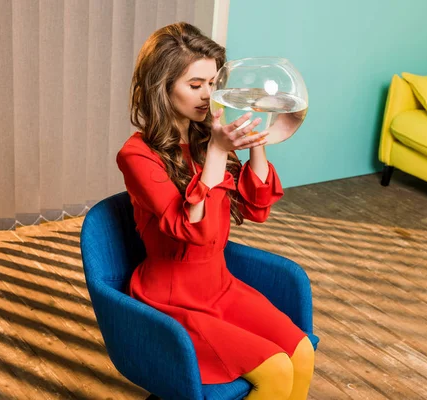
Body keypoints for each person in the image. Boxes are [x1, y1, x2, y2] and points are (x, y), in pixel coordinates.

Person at [115, 22, 314, 400]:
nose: (208, 95)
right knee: (274, 371)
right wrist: (220, 152)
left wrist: (257, 138)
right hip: (171, 298)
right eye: (195, 85)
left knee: (301, 353)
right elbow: (193, 231)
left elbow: (256, 208)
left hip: (219, 286)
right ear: (162, 86)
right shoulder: (137, 156)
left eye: (213, 83)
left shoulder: (209, 135)